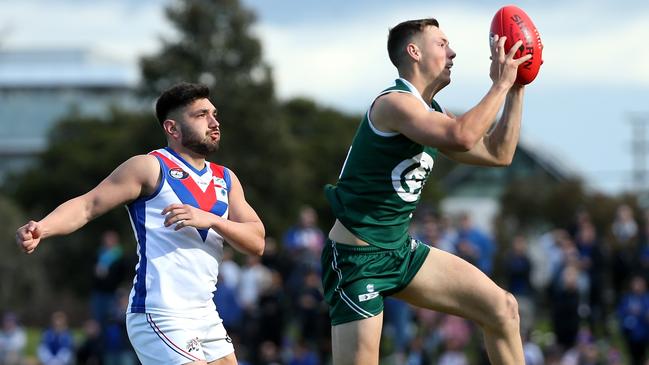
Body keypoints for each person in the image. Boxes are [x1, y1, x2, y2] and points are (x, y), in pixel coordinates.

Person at [321, 18, 531, 365]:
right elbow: (461, 136)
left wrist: (516, 87)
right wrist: (499, 83)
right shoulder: (394, 104)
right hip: (356, 260)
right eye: (442, 44)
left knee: (503, 308)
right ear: (413, 51)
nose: (452, 53)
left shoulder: (431, 111)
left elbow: (499, 153)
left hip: (400, 251)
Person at [15, 82, 266, 365]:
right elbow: (88, 205)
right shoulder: (150, 167)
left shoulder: (226, 179)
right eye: (201, 115)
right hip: (159, 312)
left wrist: (211, 220)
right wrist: (42, 228)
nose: (214, 122)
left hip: (205, 313)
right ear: (172, 128)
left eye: (214, 113)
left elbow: (256, 241)